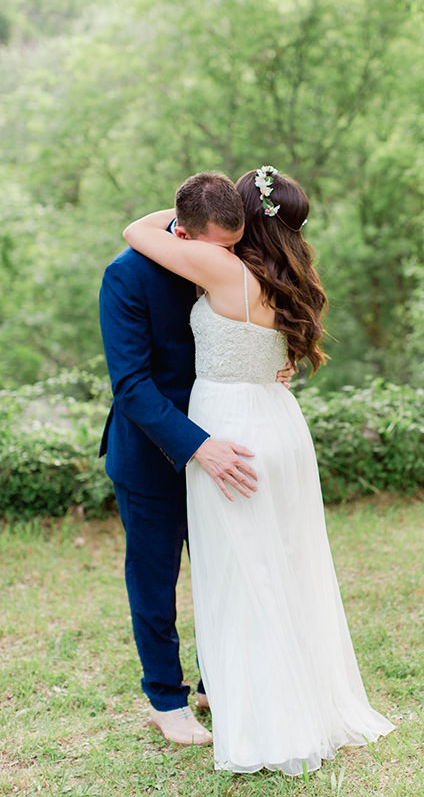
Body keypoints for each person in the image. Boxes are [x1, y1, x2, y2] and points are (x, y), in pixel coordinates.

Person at [123, 165, 394, 775]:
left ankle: (266, 709)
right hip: (277, 421)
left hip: (231, 430)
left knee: (236, 572)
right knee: (281, 563)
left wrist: (190, 217)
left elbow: (136, 229)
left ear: (242, 221)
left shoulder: (222, 267)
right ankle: (284, 688)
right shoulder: (290, 276)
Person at [99, 172, 291, 746]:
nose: (228, 259)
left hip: (229, 443)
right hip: (157, 454)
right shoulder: (126, 275)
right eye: (219, 247)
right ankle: (165, 698)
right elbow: (131, 386)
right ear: (181, 230)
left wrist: (271, 365)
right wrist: (197, 446)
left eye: (233, 246)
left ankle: (216, 681)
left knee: (226, 567)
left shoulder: (229, 259)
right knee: (156, 581)